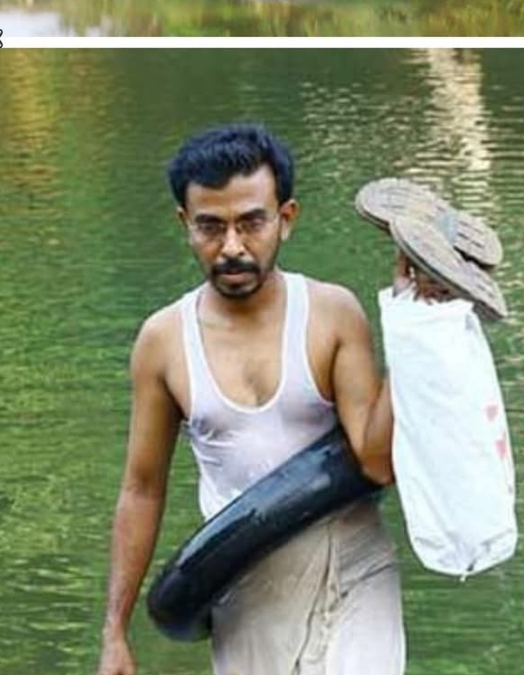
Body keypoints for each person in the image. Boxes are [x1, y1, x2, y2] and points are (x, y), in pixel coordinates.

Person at [97, 124, 411, 675]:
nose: (233, 247)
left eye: (252, 222)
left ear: (286, 219)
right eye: (211, 228)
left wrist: (412, 327)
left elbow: (375, 459)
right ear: (184, 225)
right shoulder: (163, 341)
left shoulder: (332, 313)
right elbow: (142, 488)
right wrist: (115, 633)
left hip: (351, 566)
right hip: (240, 583)